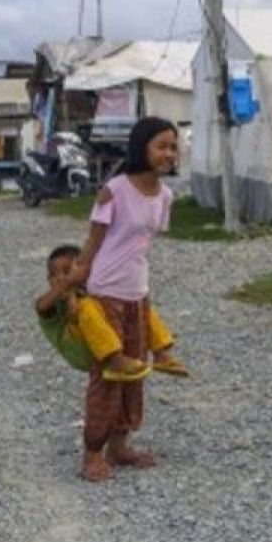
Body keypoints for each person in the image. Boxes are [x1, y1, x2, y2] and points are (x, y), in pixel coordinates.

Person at [71, 116, 188, 482]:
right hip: (106, 293)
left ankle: (119, 447)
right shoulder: (115, 190)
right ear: (142, 148)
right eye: (161, 145)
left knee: (135, 374)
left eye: (173, 146)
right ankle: (93, 453)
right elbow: (94, 241)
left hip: (138, 293)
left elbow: (143, 246)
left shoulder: (166, 196)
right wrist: (79, 279)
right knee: (107, 375)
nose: (168, 153)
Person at [36, 245, 180, 380]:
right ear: (49, 279)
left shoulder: (86, 290)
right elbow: (42, 307)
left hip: (99, 340)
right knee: (85, 305)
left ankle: (161, 353)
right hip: (79, 349)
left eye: (70, 272)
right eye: (57, 274)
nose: (63, 278)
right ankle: (114, 359)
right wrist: (69, 286)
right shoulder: (51, 304)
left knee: (135, 302)